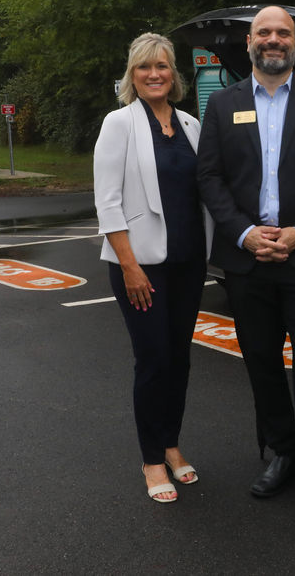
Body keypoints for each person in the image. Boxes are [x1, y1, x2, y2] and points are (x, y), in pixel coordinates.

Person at [195, 6, 295, 537]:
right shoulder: (223, 104)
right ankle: (284, 453)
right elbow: (210, 177)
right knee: (261, 363)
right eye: (264, 32)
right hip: (246, 260)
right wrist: (244, 233)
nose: (273, 39)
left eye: (283, 32)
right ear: (249, 44)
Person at [94, 32, 207, 504]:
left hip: (188, 262)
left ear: (174, 72)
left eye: (162, 65)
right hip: (140, 266)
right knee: (154, 359)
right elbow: (108, 201)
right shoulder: (119, 124)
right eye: (144, 67)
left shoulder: (190, 124)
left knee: (179, 358)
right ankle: (151, 459)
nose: (154, 74)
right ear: (132, 75)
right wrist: (130, 266)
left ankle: (172, 444)